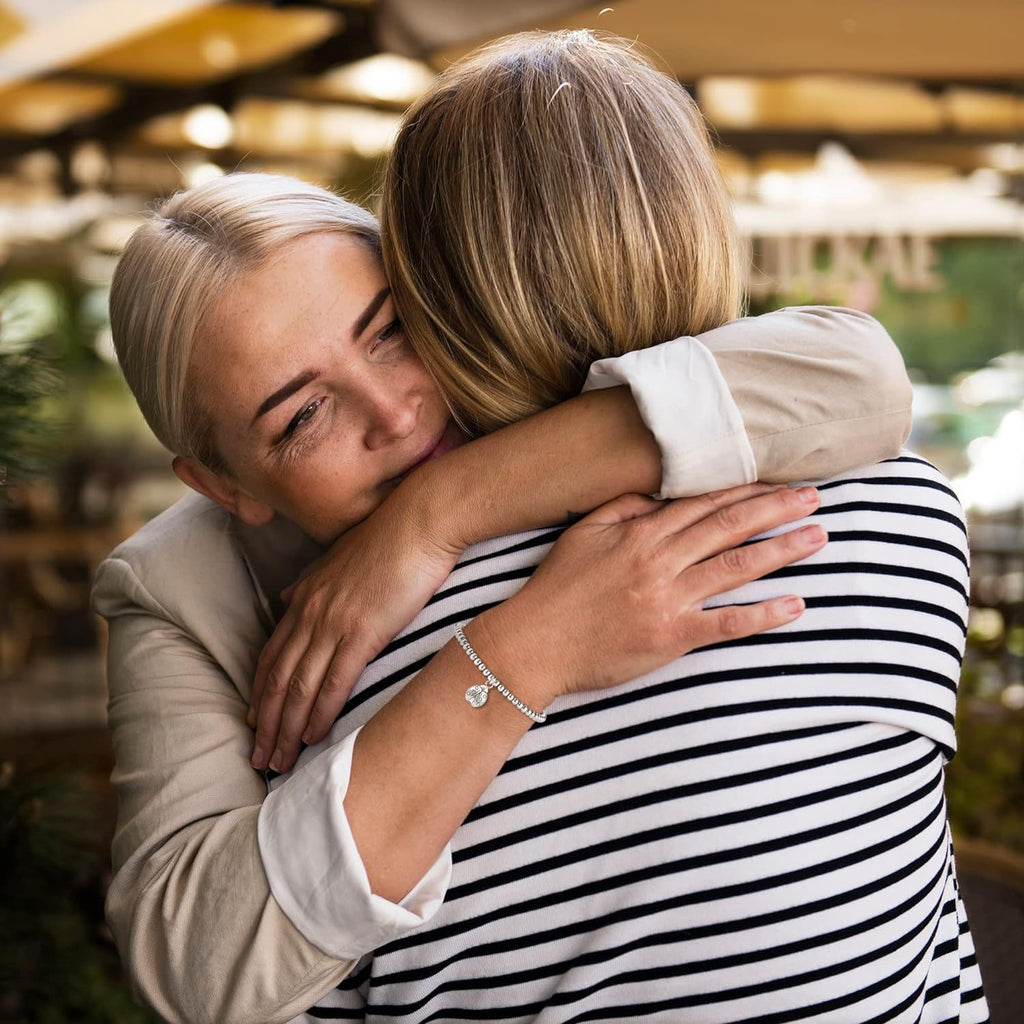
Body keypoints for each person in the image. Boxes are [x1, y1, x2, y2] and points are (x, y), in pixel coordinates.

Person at [95, 60, 917, 1024]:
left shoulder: (530, 413)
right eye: (304, 415)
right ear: (223, 484)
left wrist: (434, 514)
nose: (395, 415)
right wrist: (529, 649)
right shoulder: (179, 585)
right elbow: (199, 966)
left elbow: (857, 377)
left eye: (393, 331)